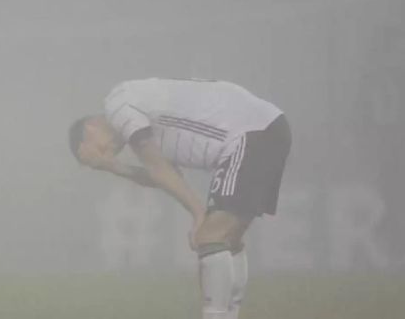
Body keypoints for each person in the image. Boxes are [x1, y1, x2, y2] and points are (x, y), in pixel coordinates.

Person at [68, 78, 290, 319]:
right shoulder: (142, 123)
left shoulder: (118, 105)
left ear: (90, 129)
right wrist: (110, 166)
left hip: (248, 133)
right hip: (263, 128)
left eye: (97, 149)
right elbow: (165, 175)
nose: (108, 152)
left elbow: (159, 169)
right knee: (228, 239)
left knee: (210, 236)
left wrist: (198, 214)